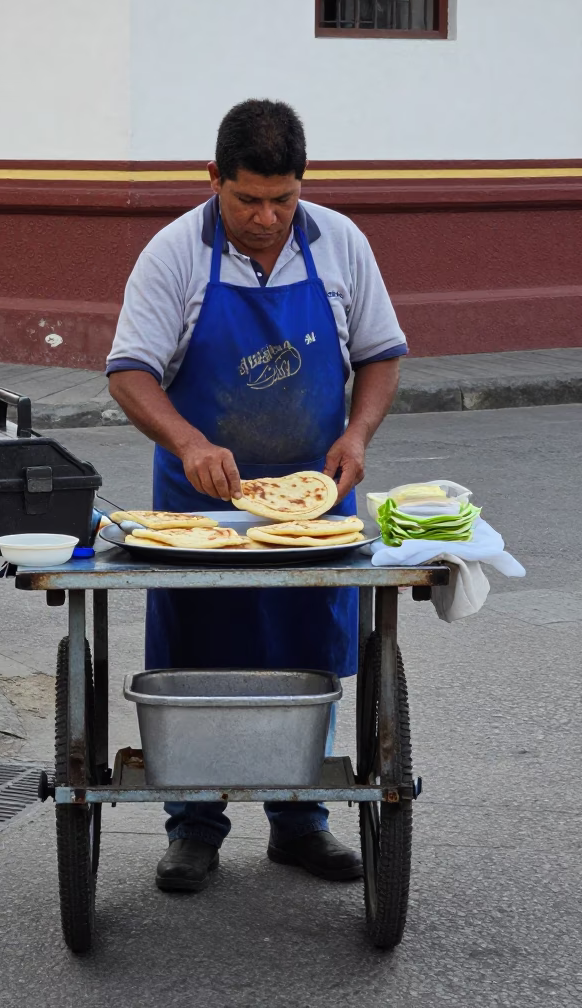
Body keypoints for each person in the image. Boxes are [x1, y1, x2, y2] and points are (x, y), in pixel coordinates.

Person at [107, 99, 407, 893]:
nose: (268, 217)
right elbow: (129, 371)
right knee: (201, 662)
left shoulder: (340, 243)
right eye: (248, 201)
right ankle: (194, 828)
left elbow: (379, 354)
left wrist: (357, 437)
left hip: (317, 507)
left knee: (305, 660)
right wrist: (189, 442)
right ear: (213, 181)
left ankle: (300, 820)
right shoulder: (173, 254)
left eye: (284, 198)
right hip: (199, 513)